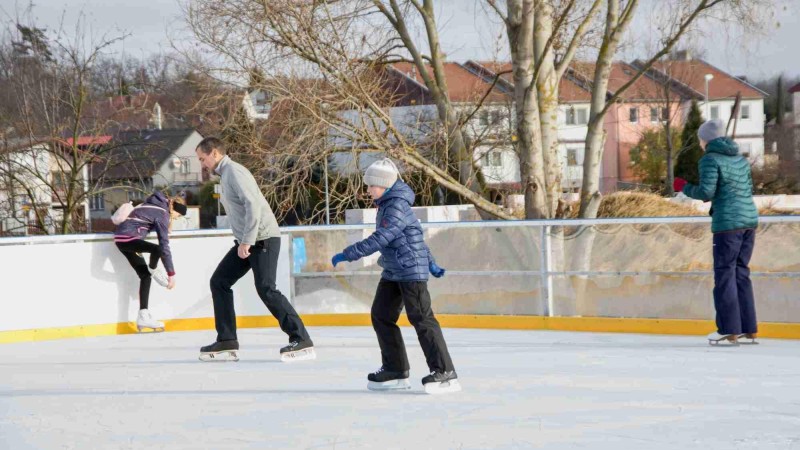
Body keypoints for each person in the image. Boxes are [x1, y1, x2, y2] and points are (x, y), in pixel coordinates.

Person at [331, 158, 460, 394]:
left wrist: (348, 253)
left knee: (422, 318)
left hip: (409, 270)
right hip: (394, 269)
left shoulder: (396, 206)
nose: (368, 189)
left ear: (385, 185)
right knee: (381, 315)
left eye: (371, 185)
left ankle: (445, 372)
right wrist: (431, 262)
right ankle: (395, 369)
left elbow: (381, 238)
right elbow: (415, 237)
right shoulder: (387, 204)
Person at [195, 137, 314, 362]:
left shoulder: (234, 172)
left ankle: (301, 337)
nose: (202, 164)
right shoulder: (226, 174)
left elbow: (253, 205)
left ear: (214, 153)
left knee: (266, 288)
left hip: (263, 238)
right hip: (248, 240)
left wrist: (247, 241)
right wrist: (244, 241)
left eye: (203, 158)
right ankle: (226, 340)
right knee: (219, 282)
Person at [674, 119, 759, 346]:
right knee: (741, 272)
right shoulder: (740, 159)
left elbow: (706, 191)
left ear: (706, 139)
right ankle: (749, 329)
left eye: (701, 138)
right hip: (749, 221)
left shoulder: (709, 159)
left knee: (724, 275)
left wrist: (683, 186)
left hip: (728, 225)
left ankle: (729, 329)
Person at [114, 191, 187, 332]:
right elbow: (164, 245)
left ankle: (143, 316)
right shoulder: (162, 213)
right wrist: (171, 273)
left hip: (121, 240)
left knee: (145, 276)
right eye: (177, 216)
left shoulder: (152, 205)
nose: (176, 219)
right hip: (129, 239)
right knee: (158, 250)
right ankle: (154, 270)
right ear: (175, 210)